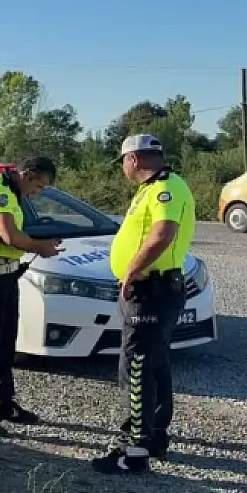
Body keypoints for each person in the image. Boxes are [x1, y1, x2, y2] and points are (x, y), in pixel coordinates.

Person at [91, 134, 195, 474]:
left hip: (151, 290)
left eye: (123, 161)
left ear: (133, 159)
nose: (123, 168)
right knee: (154, 364)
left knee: (136, 368)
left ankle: (132, 450)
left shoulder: (167, 187)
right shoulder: (149, 189)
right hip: (152, 289)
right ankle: (153, 437)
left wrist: (131, 272)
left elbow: (163, 234)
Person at [0, 156, 62, 436]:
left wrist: (40, 241)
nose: (38, 192)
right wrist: (40, 246)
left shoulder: (12, 192)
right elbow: (10, 236)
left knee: (5, 342)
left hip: (7, 274)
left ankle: (2, 402)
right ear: (27, 175)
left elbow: (16, 236)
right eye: (39, 185)